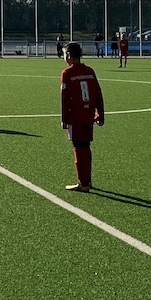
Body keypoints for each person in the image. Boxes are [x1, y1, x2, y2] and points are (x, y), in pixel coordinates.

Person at [59, 42, 104, 193]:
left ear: (69, 55)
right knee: (86, 147)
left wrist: (64, 119)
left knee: (78, 148)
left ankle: (82, 183)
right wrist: (101, 113)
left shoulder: (67, 73)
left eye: (64, 54)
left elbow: (65, 98)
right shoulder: (89, 71)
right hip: (88, 116)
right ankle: (88, 180)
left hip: (75, 117)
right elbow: (98, 93)